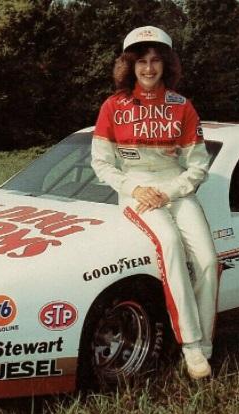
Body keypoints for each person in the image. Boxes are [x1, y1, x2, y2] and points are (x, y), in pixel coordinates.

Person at [91, 26, 218, 380]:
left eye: (156, 61)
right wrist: (134, 187)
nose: (149, 69)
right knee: (172, 246)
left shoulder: (182, 106)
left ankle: (206, 344)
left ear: (167, 65)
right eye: (141, 61)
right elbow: (101, 163)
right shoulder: (112, 106)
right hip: (135, 193)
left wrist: (172, 191)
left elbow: (198, 165)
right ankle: (191, 348)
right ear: (129, 66)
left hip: (174, 190)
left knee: (208, 259)